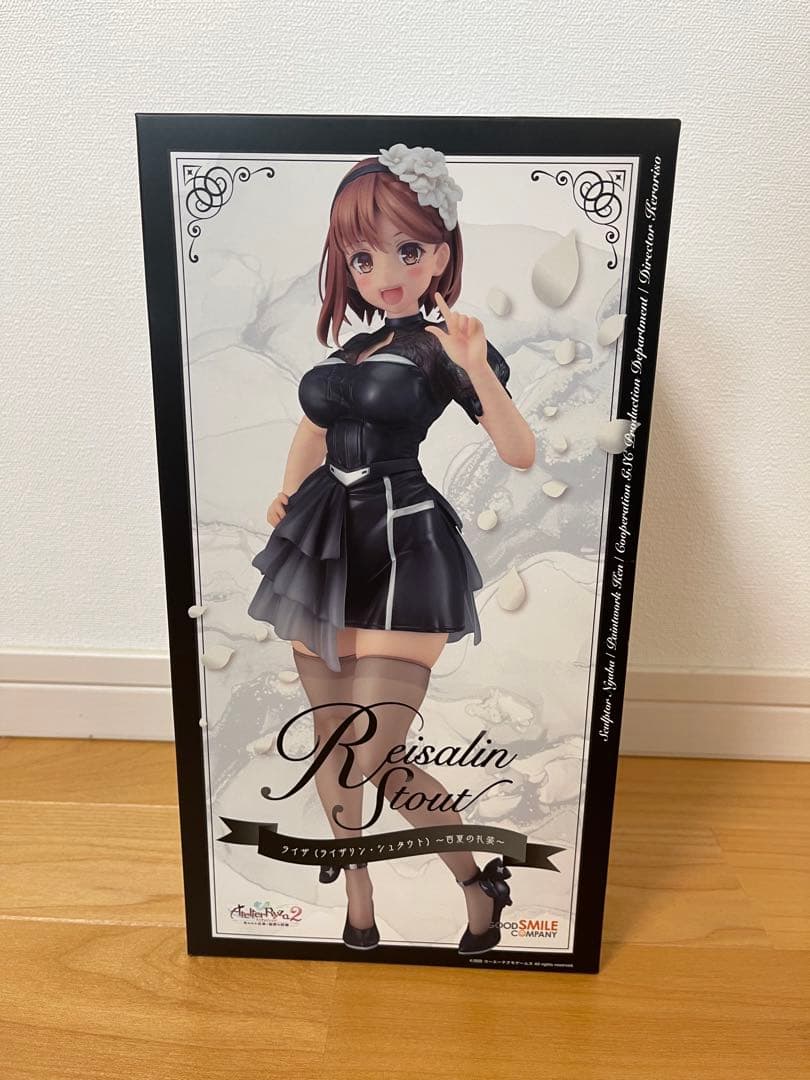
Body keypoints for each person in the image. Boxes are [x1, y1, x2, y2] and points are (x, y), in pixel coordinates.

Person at [248, 143, 536, 954]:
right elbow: (312, 429)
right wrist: (286, 491)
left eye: (409, 250)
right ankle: (360, 894)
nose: (386, 273)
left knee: (373, 750)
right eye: (364, 257)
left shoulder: (449, 347)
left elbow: (519, 452)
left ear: (441, 252)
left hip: (406, 545)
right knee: (333, 744)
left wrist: (478, 367)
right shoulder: (351, 353)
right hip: (321, 546)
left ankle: (476, 883)